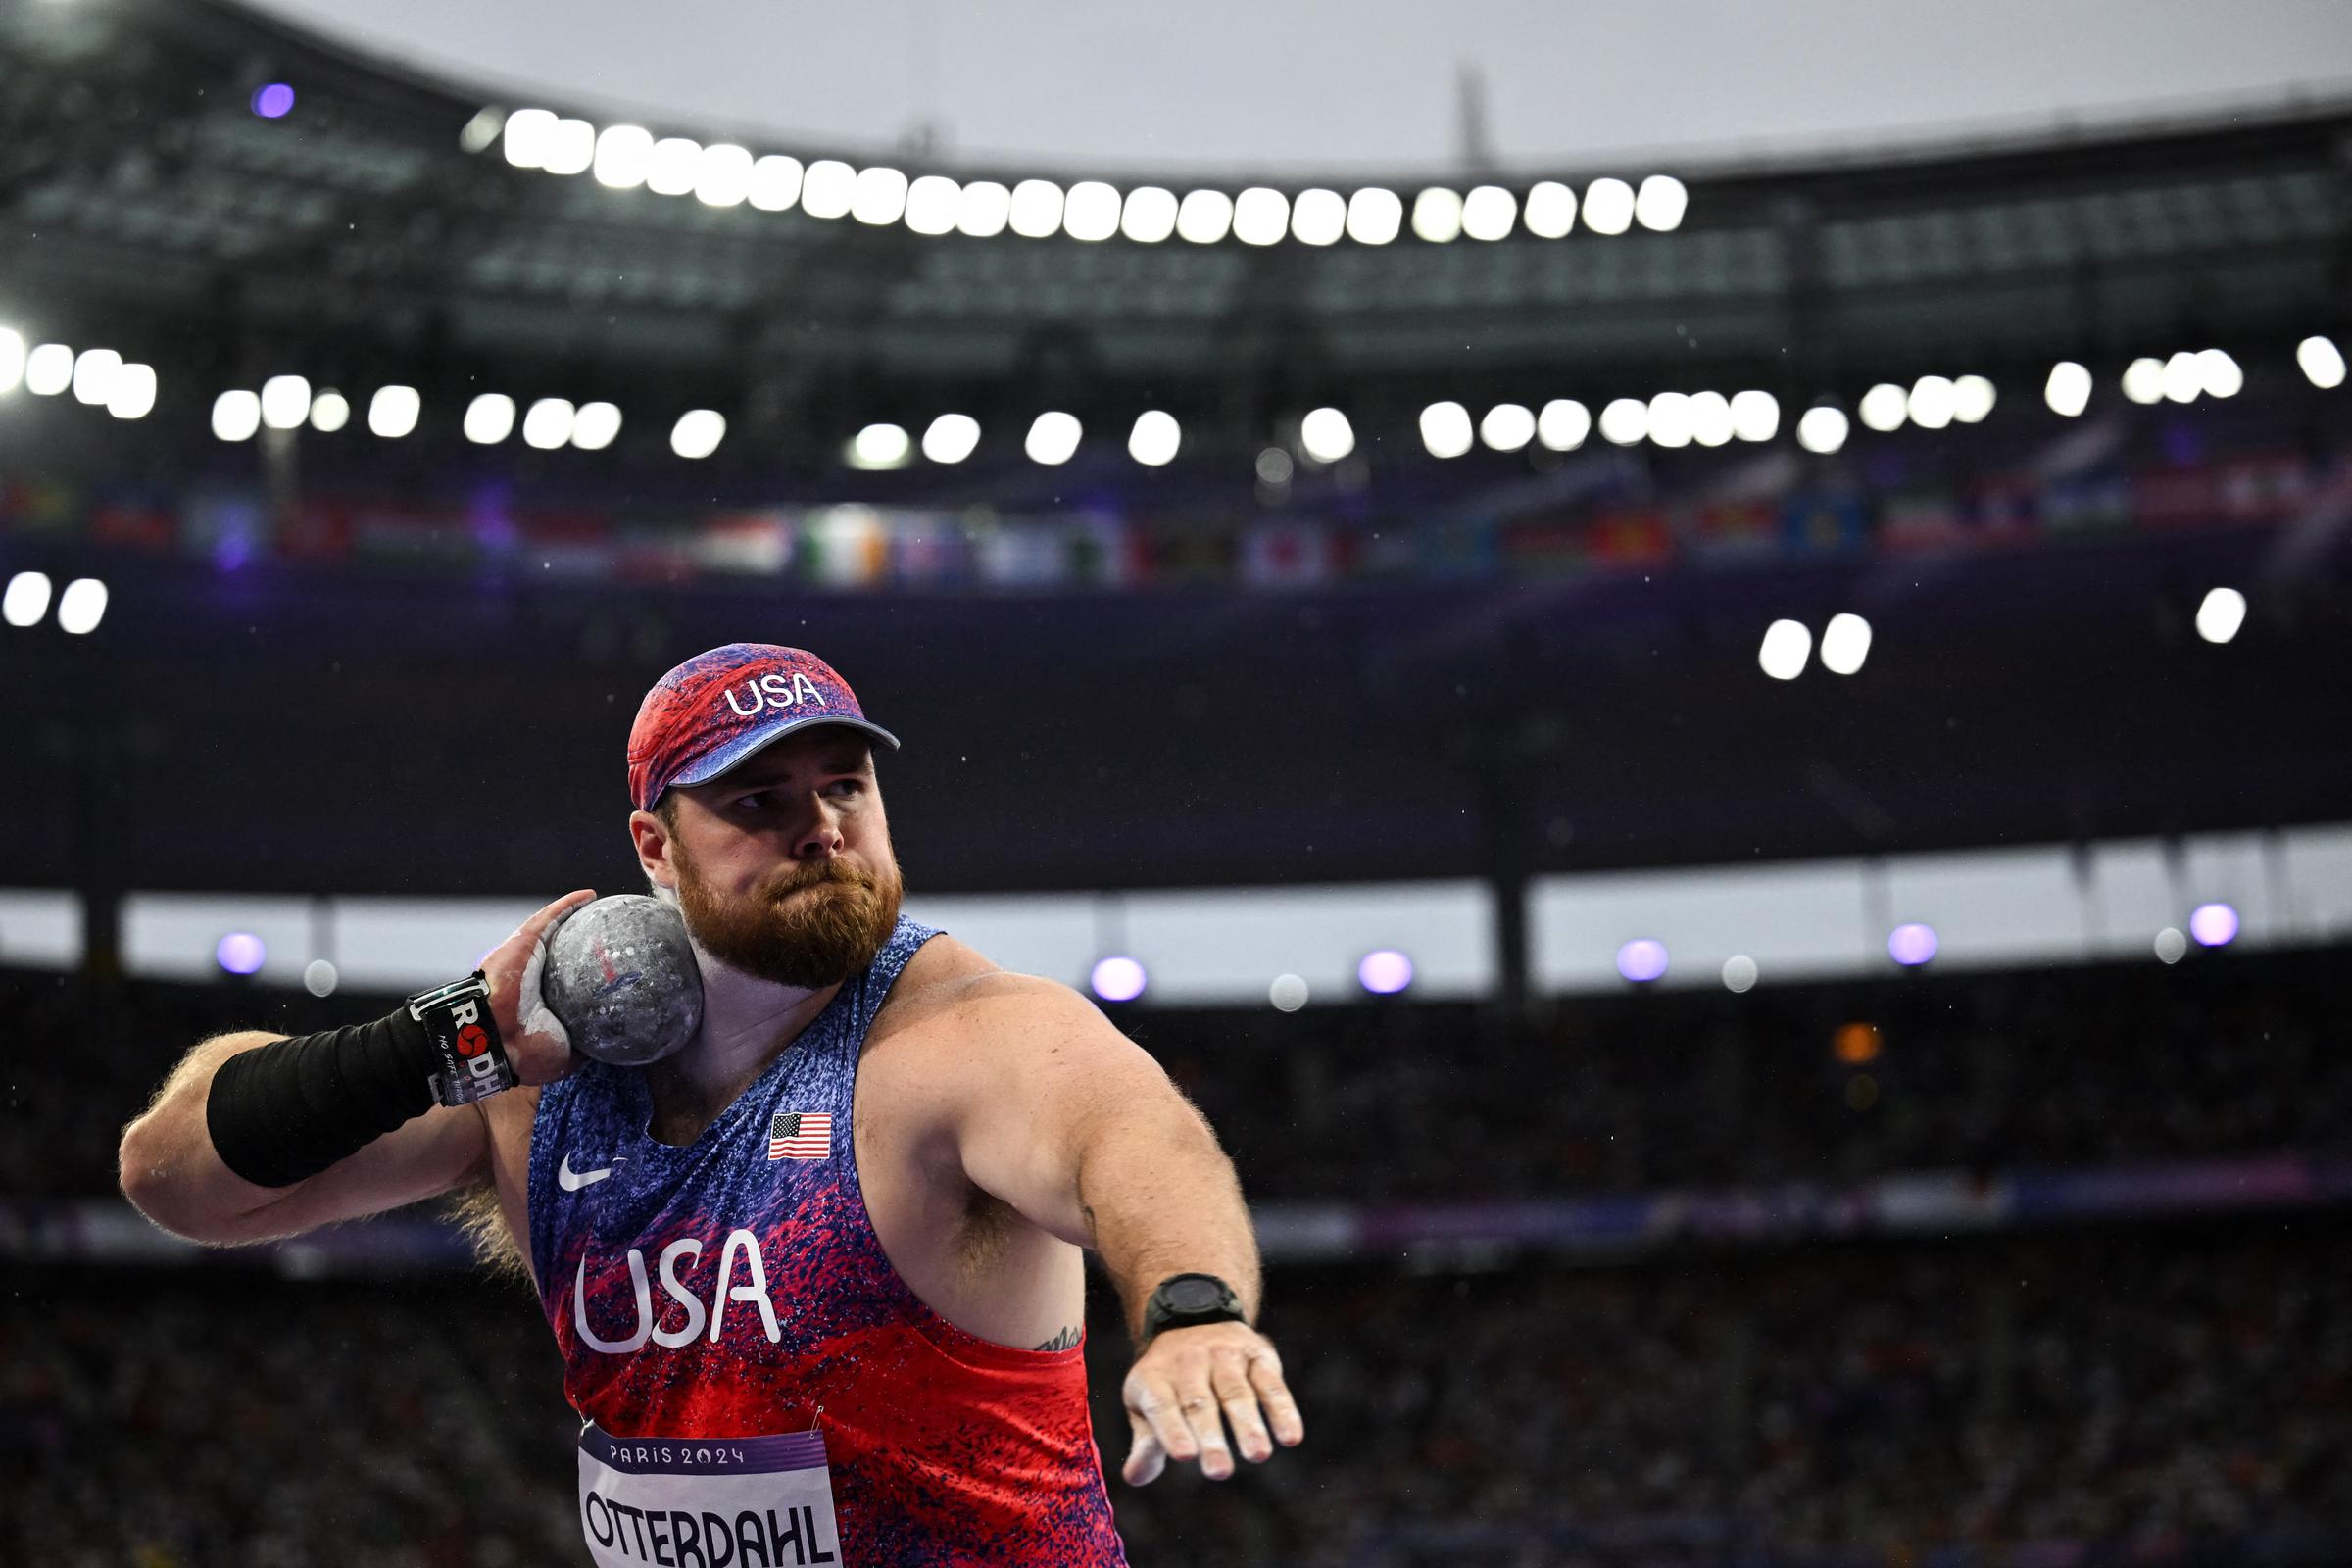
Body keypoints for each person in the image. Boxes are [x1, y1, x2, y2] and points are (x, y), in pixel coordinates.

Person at [120, 642, 1302, 1566]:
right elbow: (179, 1183)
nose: (822, 825)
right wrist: (443, 1038)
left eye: (846, 784)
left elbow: (1130, 1129)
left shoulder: (955, 1032)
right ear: (655, 845)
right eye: (757, 799)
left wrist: (1192, 1308)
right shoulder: (538, 1072)